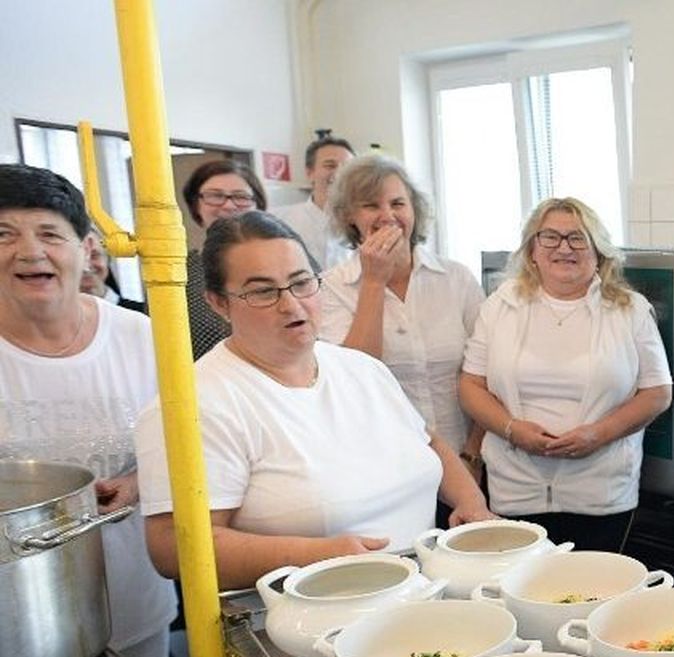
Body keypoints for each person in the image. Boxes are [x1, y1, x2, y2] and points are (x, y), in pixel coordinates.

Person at [134, 211, 492, 589]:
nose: (290, 305)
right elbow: (172, 548)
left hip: (417, 595)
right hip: (301, 617)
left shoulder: (360, 369)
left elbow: (428, 441)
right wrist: (317, 556)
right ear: (219, 303)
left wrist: (472, 503)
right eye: (262, 292)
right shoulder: (198, 404)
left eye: (301, 283)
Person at [0, 164, 177, 657]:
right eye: (4, 235)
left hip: (134, 590)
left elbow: (188, 441)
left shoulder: (139, 335)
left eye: (50, 234)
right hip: (17, 611)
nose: (30, 251)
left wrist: (138, 482)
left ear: (87, 250)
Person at [458, 197, 671, 552]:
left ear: (598, 251)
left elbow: (657, 392)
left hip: (601, 492)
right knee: (520, 593)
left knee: (593, 595)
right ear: (532, 251)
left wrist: (598, 435)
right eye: (550, 238)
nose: (564, 248)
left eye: (577, 238)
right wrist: (512, 430)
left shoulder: (629, 310)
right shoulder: (501, 305)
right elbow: (471, 385)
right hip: (515, 489)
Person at [320, 154, 485, 474]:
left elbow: (488, 375)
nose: (388, 215)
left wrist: (472, 455)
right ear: (350, 217)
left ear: (414, 210)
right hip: (386, 466)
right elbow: (355, 376)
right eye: (371, 205)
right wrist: (373, 281)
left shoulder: (456, 278)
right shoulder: (331, 287)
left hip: (467, 457)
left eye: (398, 203)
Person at [180, 159, 266, 359]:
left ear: (258, 205)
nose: (228, 205)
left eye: (240, 196)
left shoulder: (286, 262)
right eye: (215, 196)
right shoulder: (177, 274)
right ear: (196, 206)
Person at [273, 132, 355, 269]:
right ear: (309, 173)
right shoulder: (281, 221)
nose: (340, 173)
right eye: (330, 165)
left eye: (347, 166)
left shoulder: (363, 222)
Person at [81, 224, 144, 314]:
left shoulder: (142, 314)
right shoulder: (55, 320)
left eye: (94, 255)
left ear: (107, 259)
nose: (86, 266)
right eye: (78, 257)